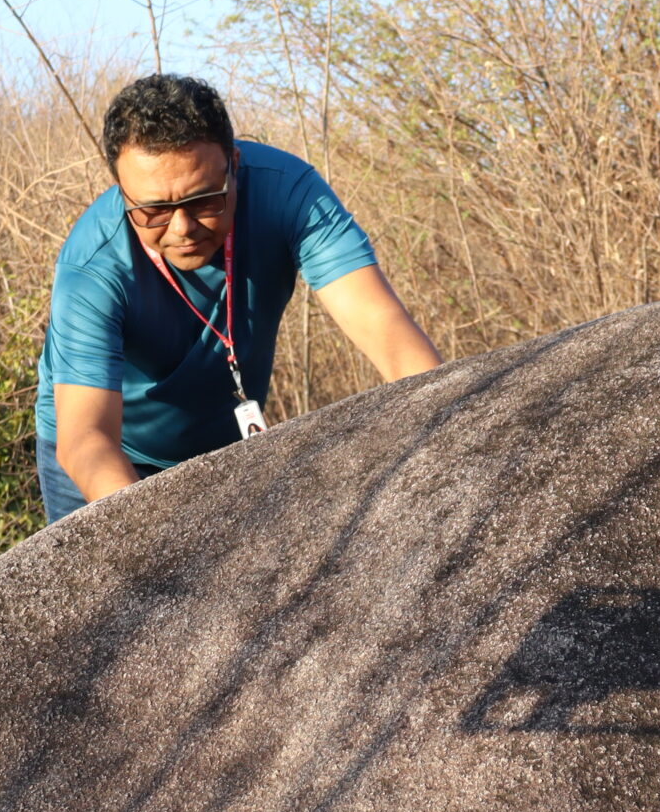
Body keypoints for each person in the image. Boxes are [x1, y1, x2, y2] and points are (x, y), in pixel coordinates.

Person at [38, 74, 442, 521]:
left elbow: (383, 326)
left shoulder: (290, 194)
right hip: (112, 456)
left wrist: (448, 433)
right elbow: (87, 440)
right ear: (120, 188)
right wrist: (151, 536)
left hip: (226, 444)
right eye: (152, 210)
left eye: (204, 201)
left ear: (234, 162)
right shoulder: (91, 265)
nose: (182, 229)